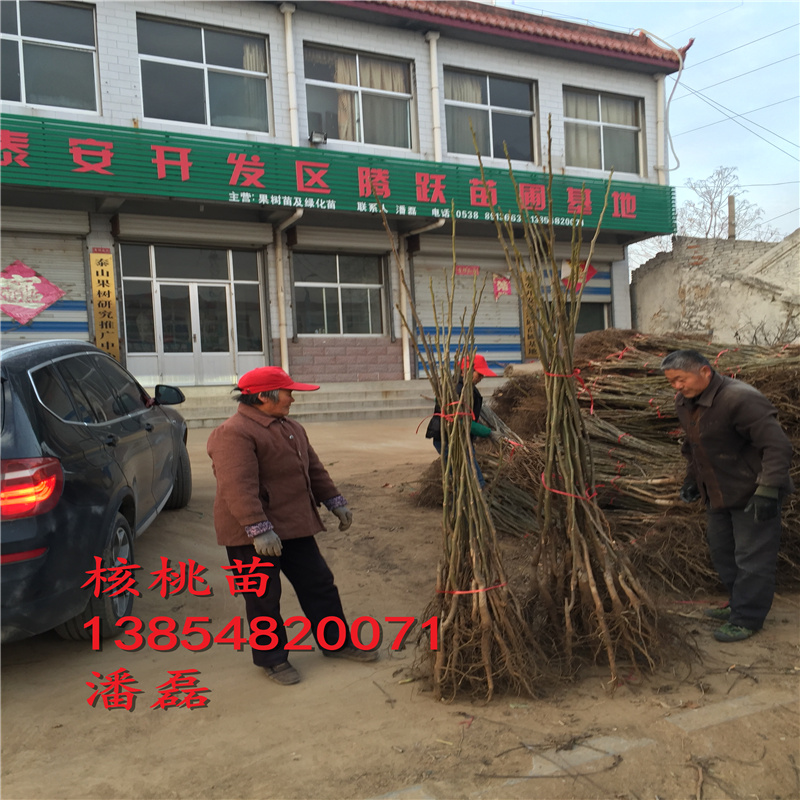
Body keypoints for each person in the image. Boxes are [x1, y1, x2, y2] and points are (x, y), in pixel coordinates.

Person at [207, 366, 378, 685]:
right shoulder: (233, 433)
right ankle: (272, 660)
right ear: (263, 396)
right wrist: (258, 527)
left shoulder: (290, 428)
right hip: (250, 535)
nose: (293, 399)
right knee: (262, 597)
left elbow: (313, 468)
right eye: (288, 392)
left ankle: (335, 642)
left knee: (320, 583)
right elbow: (237, 486)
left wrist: (334, 501)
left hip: (293, 524)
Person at [661, 349, 794, 643]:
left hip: (753, 491)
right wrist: (692, 481)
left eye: (681, 379)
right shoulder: (685, 402)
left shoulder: (740, 398)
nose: (677, 387)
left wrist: (768, 490)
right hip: (718, 491)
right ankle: (737, 603)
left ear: (705, 372)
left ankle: (747, 619)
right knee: (723, 551)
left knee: (752, 557)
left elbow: (777, 446)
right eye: (672, 382)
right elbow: (693, 446)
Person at [425, 354, 501, 488]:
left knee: (459, 474)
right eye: (480, 374)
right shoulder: (457, 390)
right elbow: (458, 420)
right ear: (467, 370)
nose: (482, 378)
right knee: (472, 478)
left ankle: (461, 498)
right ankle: (471, 497)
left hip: (457, 437)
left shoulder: (467, 387)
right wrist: (487, 432)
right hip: (449, 438)